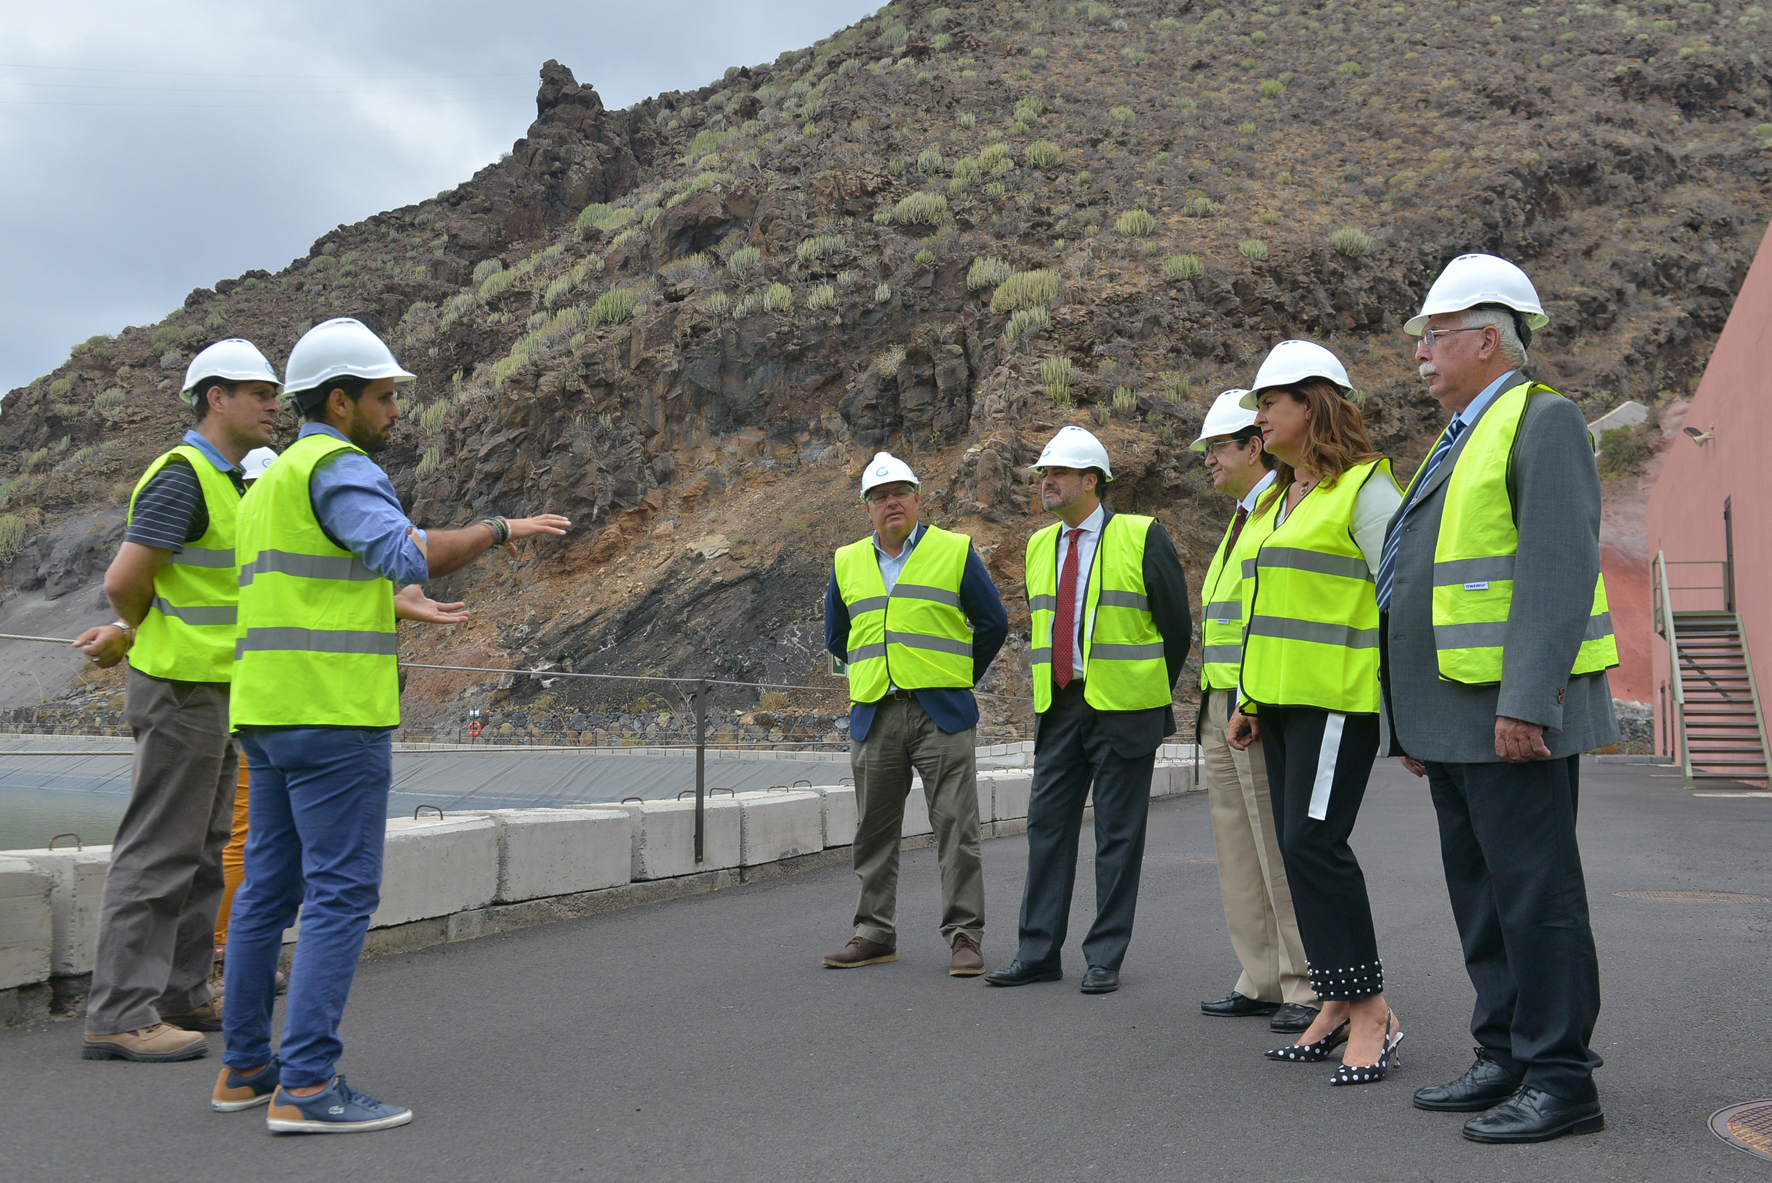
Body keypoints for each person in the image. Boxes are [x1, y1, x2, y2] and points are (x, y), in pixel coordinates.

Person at [216, 318, 571, 1132]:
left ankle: (243, 1069)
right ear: (338, 401)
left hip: (265, 713)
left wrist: (394, 600)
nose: (396, 412)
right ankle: (306, 1087)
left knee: (266, 891)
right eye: (383, 397)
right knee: (340, 893)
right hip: (333, 713)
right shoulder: (342, 467)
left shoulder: (267, 480)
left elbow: (317, 583)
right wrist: (499, 529)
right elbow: (409, 553)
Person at [1382, 254, 1617, 1143]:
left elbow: (1557, 570)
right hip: (1452, 718)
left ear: (1489, 339)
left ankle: (1561, 1077)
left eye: (1435, 337)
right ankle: (1506, 1052)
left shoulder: (1543, 421)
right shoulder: (1462, 434)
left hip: (1507, 716)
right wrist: (1409, 719)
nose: (1420, 355)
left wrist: (1528, 701)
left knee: (1535, 894)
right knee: (1483, 895)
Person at [73, 340, 281, 1063]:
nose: (272, 403)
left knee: (201, 848)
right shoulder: (184, 476)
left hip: (217, 689)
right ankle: (120, 1013)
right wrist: (135, 626)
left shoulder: (228, 482)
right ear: (215, 397)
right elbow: (125, 577)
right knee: (158, 849)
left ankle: (182, 991)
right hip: (182, 688)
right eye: (258, 391)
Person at [1224, 340, 1404, 1084]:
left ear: (1315, 403)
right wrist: (1249, 698)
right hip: (1282, 705)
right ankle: (1335, 999)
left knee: (1315, 846)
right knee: (1299, 852)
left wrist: (1409, 715)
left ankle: (1373, 1012)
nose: (1259, 417)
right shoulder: (1275, 497)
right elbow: (1270, 609)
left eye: (1270, 403)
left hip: (1337, 701)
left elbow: (1399, 600)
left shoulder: (1366, 490)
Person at [985, 426, 1191, 995]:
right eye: (1042, 475)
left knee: (1117, 838)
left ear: (1090, 480)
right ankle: (1038, 952)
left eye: (1056, 473)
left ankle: (1104, 956)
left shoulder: (1142, 535)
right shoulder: (1037, 545)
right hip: (1060, 707)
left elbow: (1176, 628)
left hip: (1125, 711)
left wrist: (1143, 689)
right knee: (1047, 829)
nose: (1045, 483)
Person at [822, 451, 1008, 976]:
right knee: (873, 832)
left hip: (941, 713)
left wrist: (955, 675)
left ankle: (965, 936)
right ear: (867, 508)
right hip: (875, 712)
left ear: (918, 497)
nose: (891, 503)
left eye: (900, 492)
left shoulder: (954, 550)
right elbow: (839, 636)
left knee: (956, 827)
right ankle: (873, 933)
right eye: (880, 497)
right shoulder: (846, 561)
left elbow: (992, 622)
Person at [1190, 391, 1317, 1034]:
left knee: (1275, 843)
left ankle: (1304, 981)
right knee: (1238, 847)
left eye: (1217, 447)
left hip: (1255, 703)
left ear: (1253, 448)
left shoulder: (1280, 510)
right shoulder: (1244, 517)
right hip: (1221, 701)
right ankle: (1263, 975)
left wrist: (1256, 697)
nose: (1207, 460)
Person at [213, 448, 278, 983]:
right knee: (243, 835)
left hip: (230, 700)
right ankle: (227, 950)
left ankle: (223, 948)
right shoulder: (260, 537)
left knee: (235, 833)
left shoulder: (235, 528)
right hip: (246, 703)